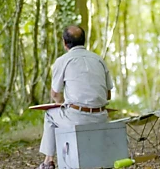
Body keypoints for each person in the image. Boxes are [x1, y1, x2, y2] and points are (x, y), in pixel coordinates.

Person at [36, 25, 114, 169]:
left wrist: (62, 104)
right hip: (101, 117)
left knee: (50, 115)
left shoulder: (62, 61)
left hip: (77, 116)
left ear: (64, 43)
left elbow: (55, 94)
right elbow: (108, 94)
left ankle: (48, 162)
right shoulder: (99, 60)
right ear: (84, 41)